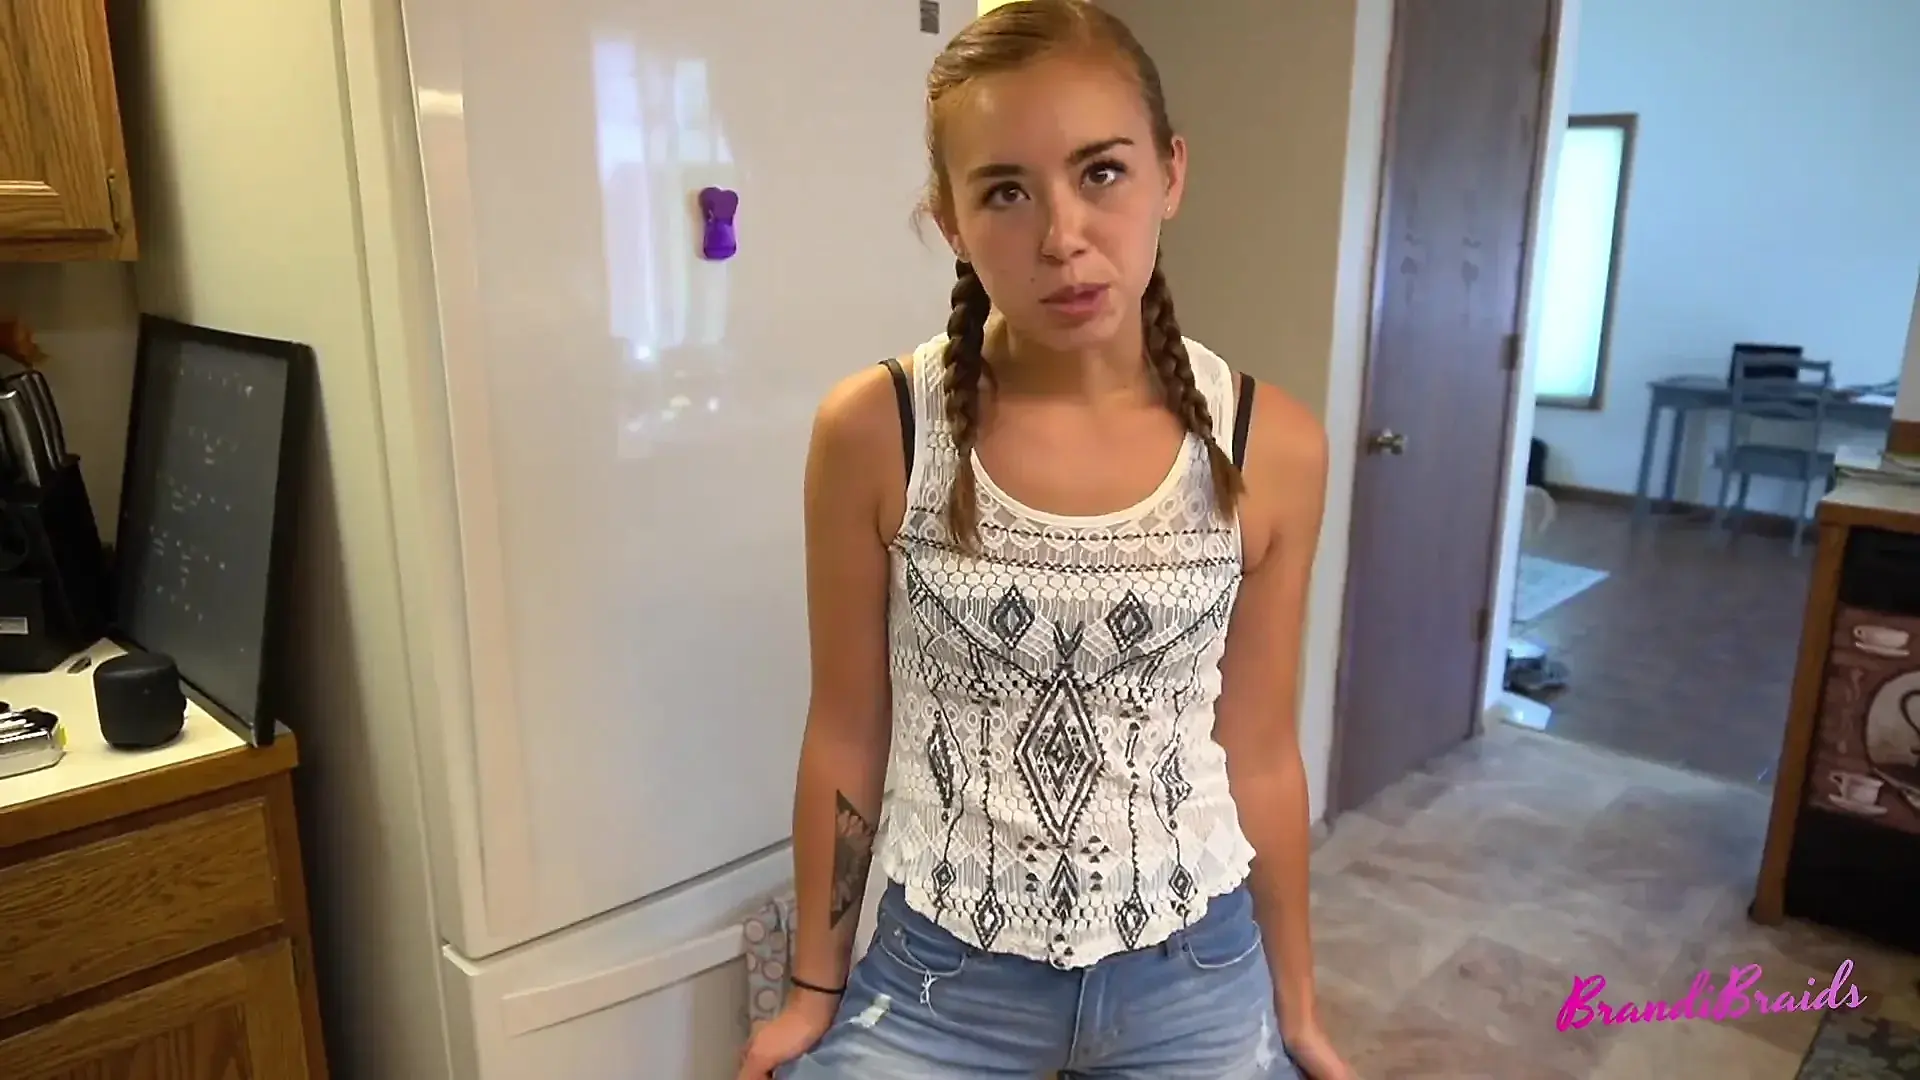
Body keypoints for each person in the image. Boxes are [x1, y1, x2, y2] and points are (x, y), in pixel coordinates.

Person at [739, 2, 1351, 1077]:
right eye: (1007, 192)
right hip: (940, 982)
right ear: (950, 219)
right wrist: (812, 991)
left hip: (1197, 974)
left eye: (1101, 172)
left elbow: (1259, 754)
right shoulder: (879, 432)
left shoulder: (1272, 444)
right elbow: (846, 732)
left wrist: (1296, 1012)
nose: (1064, 237)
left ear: (1171, 172)